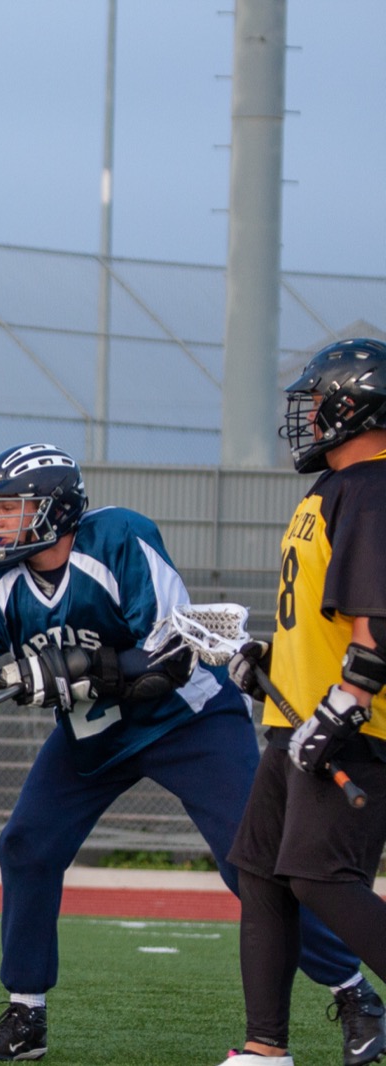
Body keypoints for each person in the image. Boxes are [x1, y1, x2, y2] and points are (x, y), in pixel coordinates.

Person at [0, 441, 381, 1063]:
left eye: (7, 507)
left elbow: (172, 655)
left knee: (252, 868)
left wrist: (82, 668)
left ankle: (355, 996)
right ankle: (28, 1013)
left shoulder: (120, 539)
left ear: (54, 510)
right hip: (92, 734)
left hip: (185, 724)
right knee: (26, 845)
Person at [218, 338, 386, 1066]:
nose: (309, 418)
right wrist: (271, 661)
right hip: (298, 720)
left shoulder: (376, 487)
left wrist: (346, 703)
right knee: (260, 870)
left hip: (348, 727)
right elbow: (317, 615)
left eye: (318, 403)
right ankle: (265, 1049)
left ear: (357, 406)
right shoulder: (333, 488)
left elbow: (377, 620)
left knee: (322, 876)